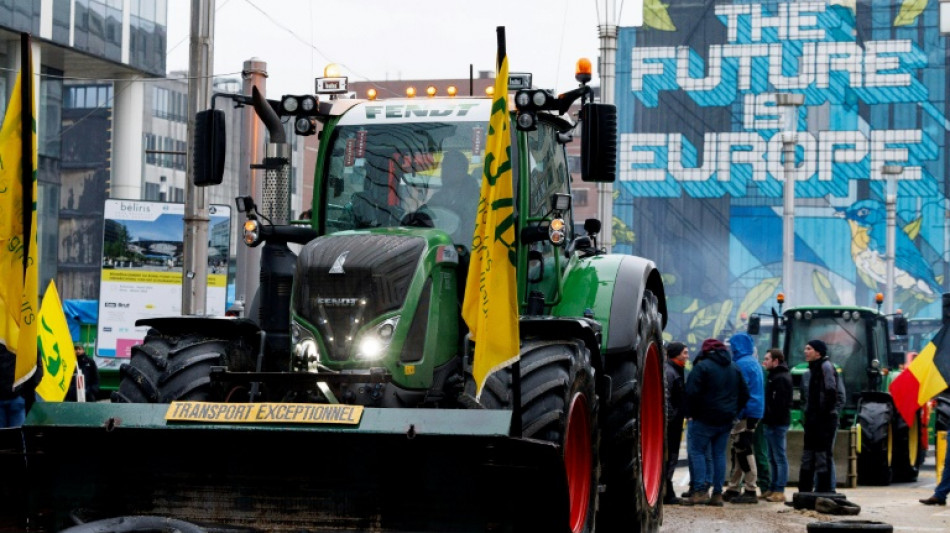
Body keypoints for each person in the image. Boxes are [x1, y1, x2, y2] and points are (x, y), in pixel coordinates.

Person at [682, 338, 750, 506]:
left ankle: (700, 491)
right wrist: (734, 411)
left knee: (697, 452)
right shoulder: (734, 367)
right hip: (726, 420)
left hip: (704, 418)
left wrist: (690, 413)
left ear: (706, 351)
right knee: (719, 454)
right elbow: (745, 393)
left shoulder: (702, 367)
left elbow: (690, 392)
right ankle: (717, 494)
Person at [723, 332, 765, 504]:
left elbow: (741, 391)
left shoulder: (741, 364)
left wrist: (736, 413)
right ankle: (734, 487)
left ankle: (750, 489)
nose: (731, 349)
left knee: (743, 448)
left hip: (746, 412)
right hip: (755, 410)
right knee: (740, 448)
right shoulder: (753, 362)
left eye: (732, 346)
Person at [798, 339, 839, 493]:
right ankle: (805, 490)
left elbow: (831, 392)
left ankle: (824, 490)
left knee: (822, 455)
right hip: (813, 420)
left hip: (823, 421)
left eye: (809, 349)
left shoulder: (826, 367)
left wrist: (823, 415)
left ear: (818, 352)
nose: (805, 351)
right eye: (805, 348)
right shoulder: (812, 369)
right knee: (808, 455)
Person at [762, 348, 793, 502]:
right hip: (772, 422)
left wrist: (771, 418)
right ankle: (773, 487)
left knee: (779, 457)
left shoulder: (780, 378)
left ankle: (779, 490)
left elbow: (780, 404)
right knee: (772, 457)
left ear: (776, 361)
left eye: (767, 359)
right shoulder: (774, 376)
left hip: (777, 423)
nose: (764, 362)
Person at [663, 342, 688, 505]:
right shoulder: (670, 371)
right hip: (671, 424)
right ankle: (666, 491)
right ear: (676, 354)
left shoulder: (675, 370)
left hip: (675, 422)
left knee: (672, 456)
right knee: (669, 456)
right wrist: (671, 418)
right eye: (684, 353)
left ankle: (668, 488)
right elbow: (666, 397)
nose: (687, 356)